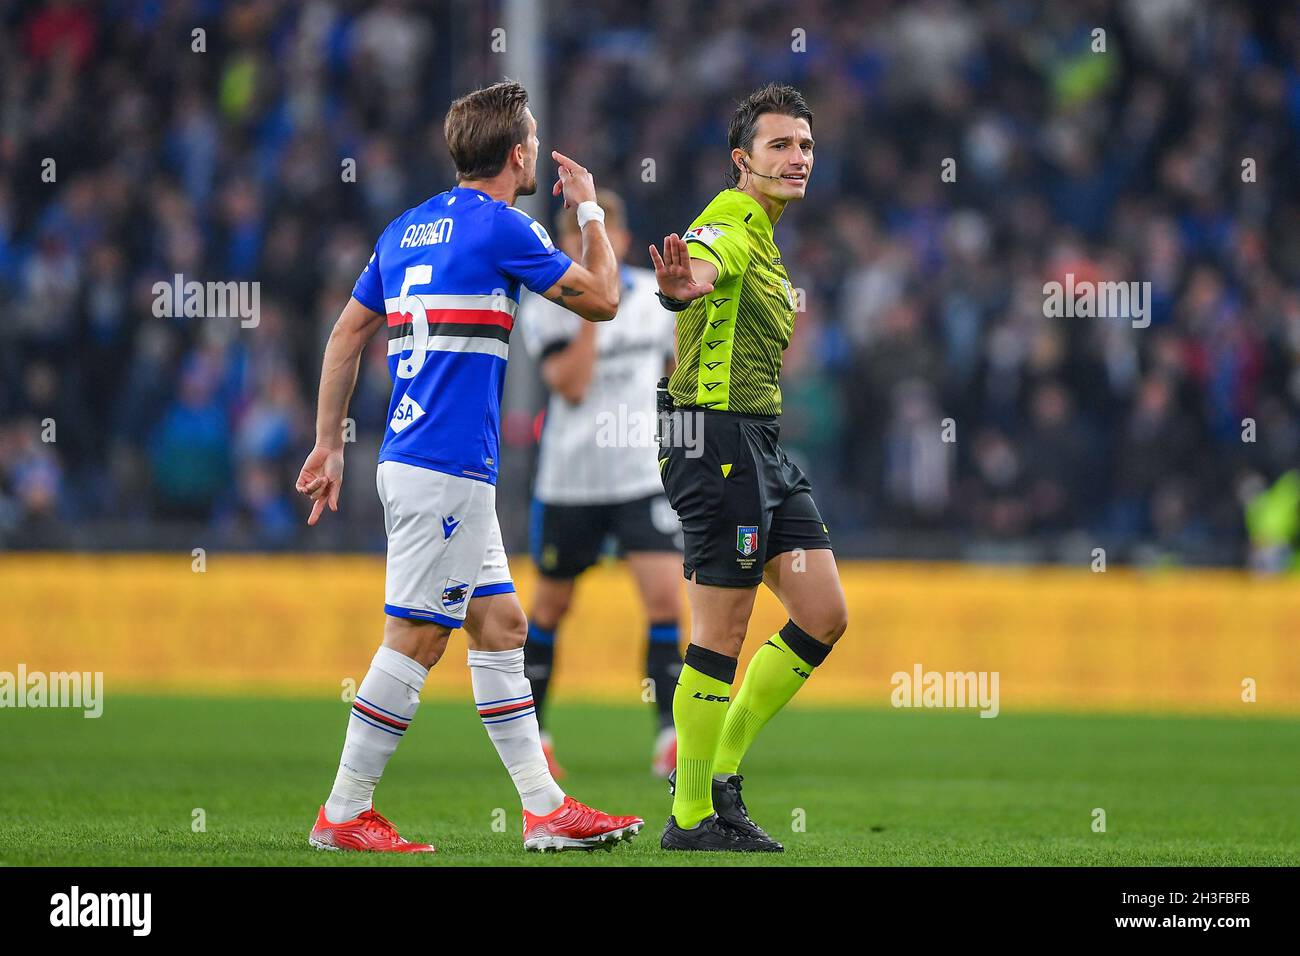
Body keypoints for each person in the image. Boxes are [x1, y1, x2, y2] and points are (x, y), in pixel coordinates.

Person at [294, 81, 642, 853]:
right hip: (445, 464)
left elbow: (347, 334)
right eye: (534, 142)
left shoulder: (405, 230)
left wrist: (328, 442)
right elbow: (607, 300)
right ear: (519, 155)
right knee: (416, 636)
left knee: (501, 624)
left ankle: (544, 808)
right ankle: (344, 810)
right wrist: (587, 209)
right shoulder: (502, 227)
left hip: (415, 457)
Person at [649, 83, 849, 852]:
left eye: (803, 145)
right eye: (779, 146)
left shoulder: (767, 232)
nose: (797, 158)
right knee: (723, 629)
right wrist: (683, 286)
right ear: (743, 159)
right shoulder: (732, 219)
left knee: (823, 613)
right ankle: (693, 815)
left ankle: (716, 779)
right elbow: (702, 259)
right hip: (713, 441)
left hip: (758, 445)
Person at [518, 189, 683, 779]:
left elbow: (674, 375)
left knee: (666, 599)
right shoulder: (548, 303)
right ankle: (534, 734)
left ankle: (669, 735)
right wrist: (594, 311)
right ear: (568, 245)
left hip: (640, 475)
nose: (596, 246)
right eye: (583, 236)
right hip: (571, 481)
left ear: (625, 240)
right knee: (550, 605)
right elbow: (570, 384)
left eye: (606, 235)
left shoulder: (656, 301)